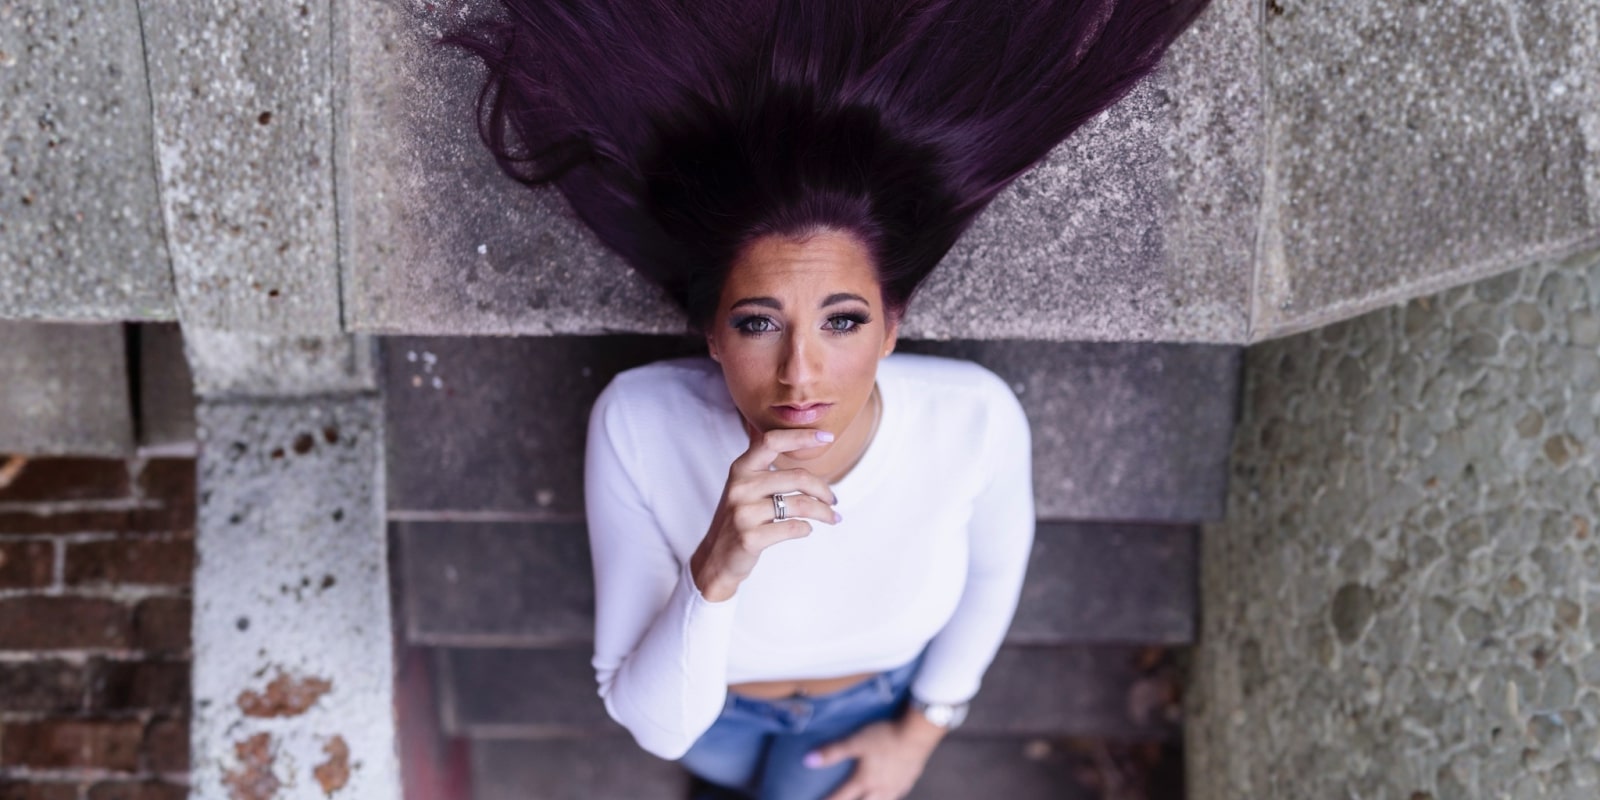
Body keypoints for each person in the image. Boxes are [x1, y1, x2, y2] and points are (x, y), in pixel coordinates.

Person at [443, 1, 1211, 797]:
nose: (800, 373)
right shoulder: (639, 421)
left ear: (891, 327)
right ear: (711, 333)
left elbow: (991, 581)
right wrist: (715, 567)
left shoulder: (973, 420)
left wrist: (920, 731)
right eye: (757, 323)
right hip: (715, 722)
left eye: (842, 321)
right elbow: (658, 724)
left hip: (866, 711)